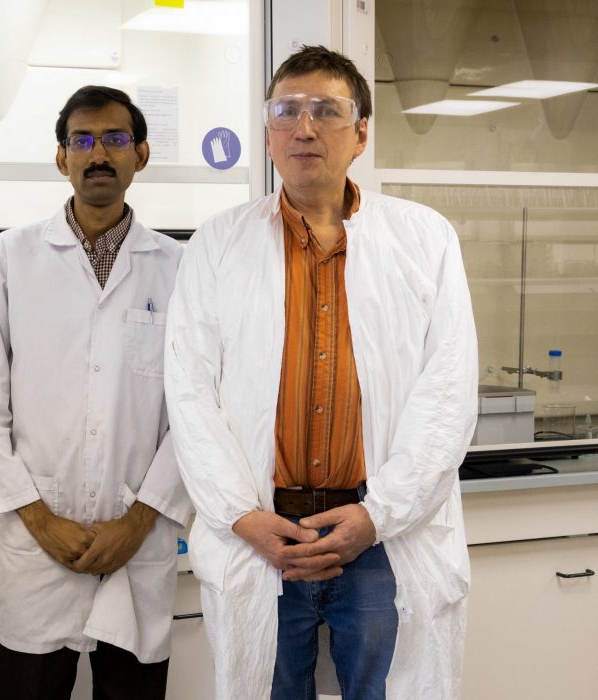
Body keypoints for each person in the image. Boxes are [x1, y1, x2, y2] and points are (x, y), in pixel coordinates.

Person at [165, 46, 478, 699]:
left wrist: (377, 515)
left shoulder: (425, 239)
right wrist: (242, 517)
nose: (304, 128)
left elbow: (447, 393)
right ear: (268, 133)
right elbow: (190, 393)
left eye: (326, 112)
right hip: (265, 538)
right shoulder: (218, 244)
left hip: (381, 539)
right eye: (287, 112)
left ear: (360, 133)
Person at [0, 86, 191, 699]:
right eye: (81, 140)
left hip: (138, 544)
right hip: (40, 547)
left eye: (115, 139)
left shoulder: (178, 267)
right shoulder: (15, 256)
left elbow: (195, 410)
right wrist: (38, 519)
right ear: (62, 157)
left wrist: (139, 521)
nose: (98, 154)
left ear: (141, 153)